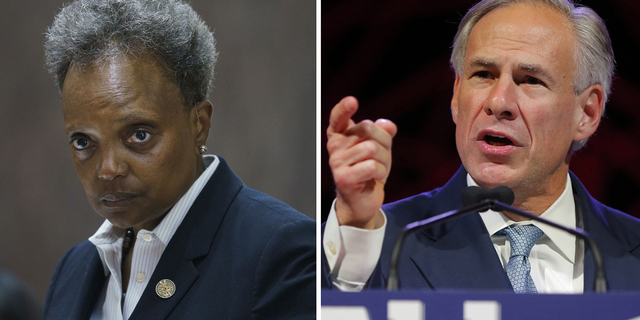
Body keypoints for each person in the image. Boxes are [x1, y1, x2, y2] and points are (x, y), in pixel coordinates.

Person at [322, 0, 640, 293]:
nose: (498, 101)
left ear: (586, 112)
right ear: (457, 94)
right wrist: (354, 226)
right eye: (483, 74)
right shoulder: (377, 242)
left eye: (531, 80)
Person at [42, 0, 315, 319]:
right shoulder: (73, 271)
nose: (108, 169)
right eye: (83, 141)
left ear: (199, 124)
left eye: (139, 135)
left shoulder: (282, 253)